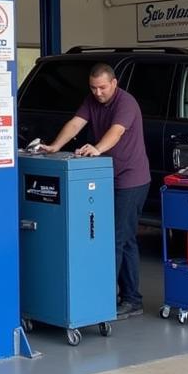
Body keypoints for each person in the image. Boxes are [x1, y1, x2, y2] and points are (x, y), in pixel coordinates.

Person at [40, 63, 151, 319]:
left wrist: (98, 149)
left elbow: (116, 131)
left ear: (114, 83)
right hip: (106, 177)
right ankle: (132, 299)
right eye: (93, 88)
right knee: (124, 239)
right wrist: (56, 145)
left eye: (102, 87)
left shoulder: (126, 103)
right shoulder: (91, 100)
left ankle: (104, 299)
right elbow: (76, 123)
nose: (98, 92)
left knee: (116, 239)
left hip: (131, 179)